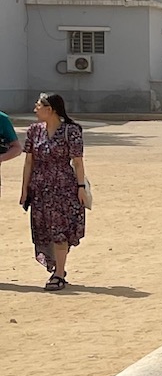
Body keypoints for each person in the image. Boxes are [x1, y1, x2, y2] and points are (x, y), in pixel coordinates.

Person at [19, 91, 89, 290]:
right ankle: (57, 268)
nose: (35, 109)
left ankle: (59, 273)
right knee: (43, 231)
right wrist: (24, 189)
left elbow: (77, 161)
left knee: (60, 230)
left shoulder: (71, 131)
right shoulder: (34, 131)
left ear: (50, 110)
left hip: (64, 188)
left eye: (39, 106)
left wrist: (81, 187)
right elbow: (28, 162)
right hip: (40, 189)